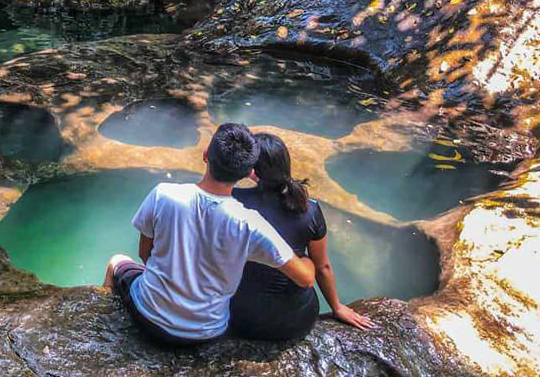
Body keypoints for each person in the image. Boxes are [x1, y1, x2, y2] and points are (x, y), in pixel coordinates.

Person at [103, 123, 316, 345]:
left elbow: (144, 252)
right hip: (206, 332)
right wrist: (307, 260)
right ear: (249, 174)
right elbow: (306, 279)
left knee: (116, 261)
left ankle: (103, 323)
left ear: (205, 155)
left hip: (148, 315)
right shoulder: (251, 224)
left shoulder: (163, 194)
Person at [230, 132, 376, 340]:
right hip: (294, 321)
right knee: (304, 263)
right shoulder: (309, 209)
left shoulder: (234, 201)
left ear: (252, 171)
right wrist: (337, 307)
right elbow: (322, 267)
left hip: (240, 318)